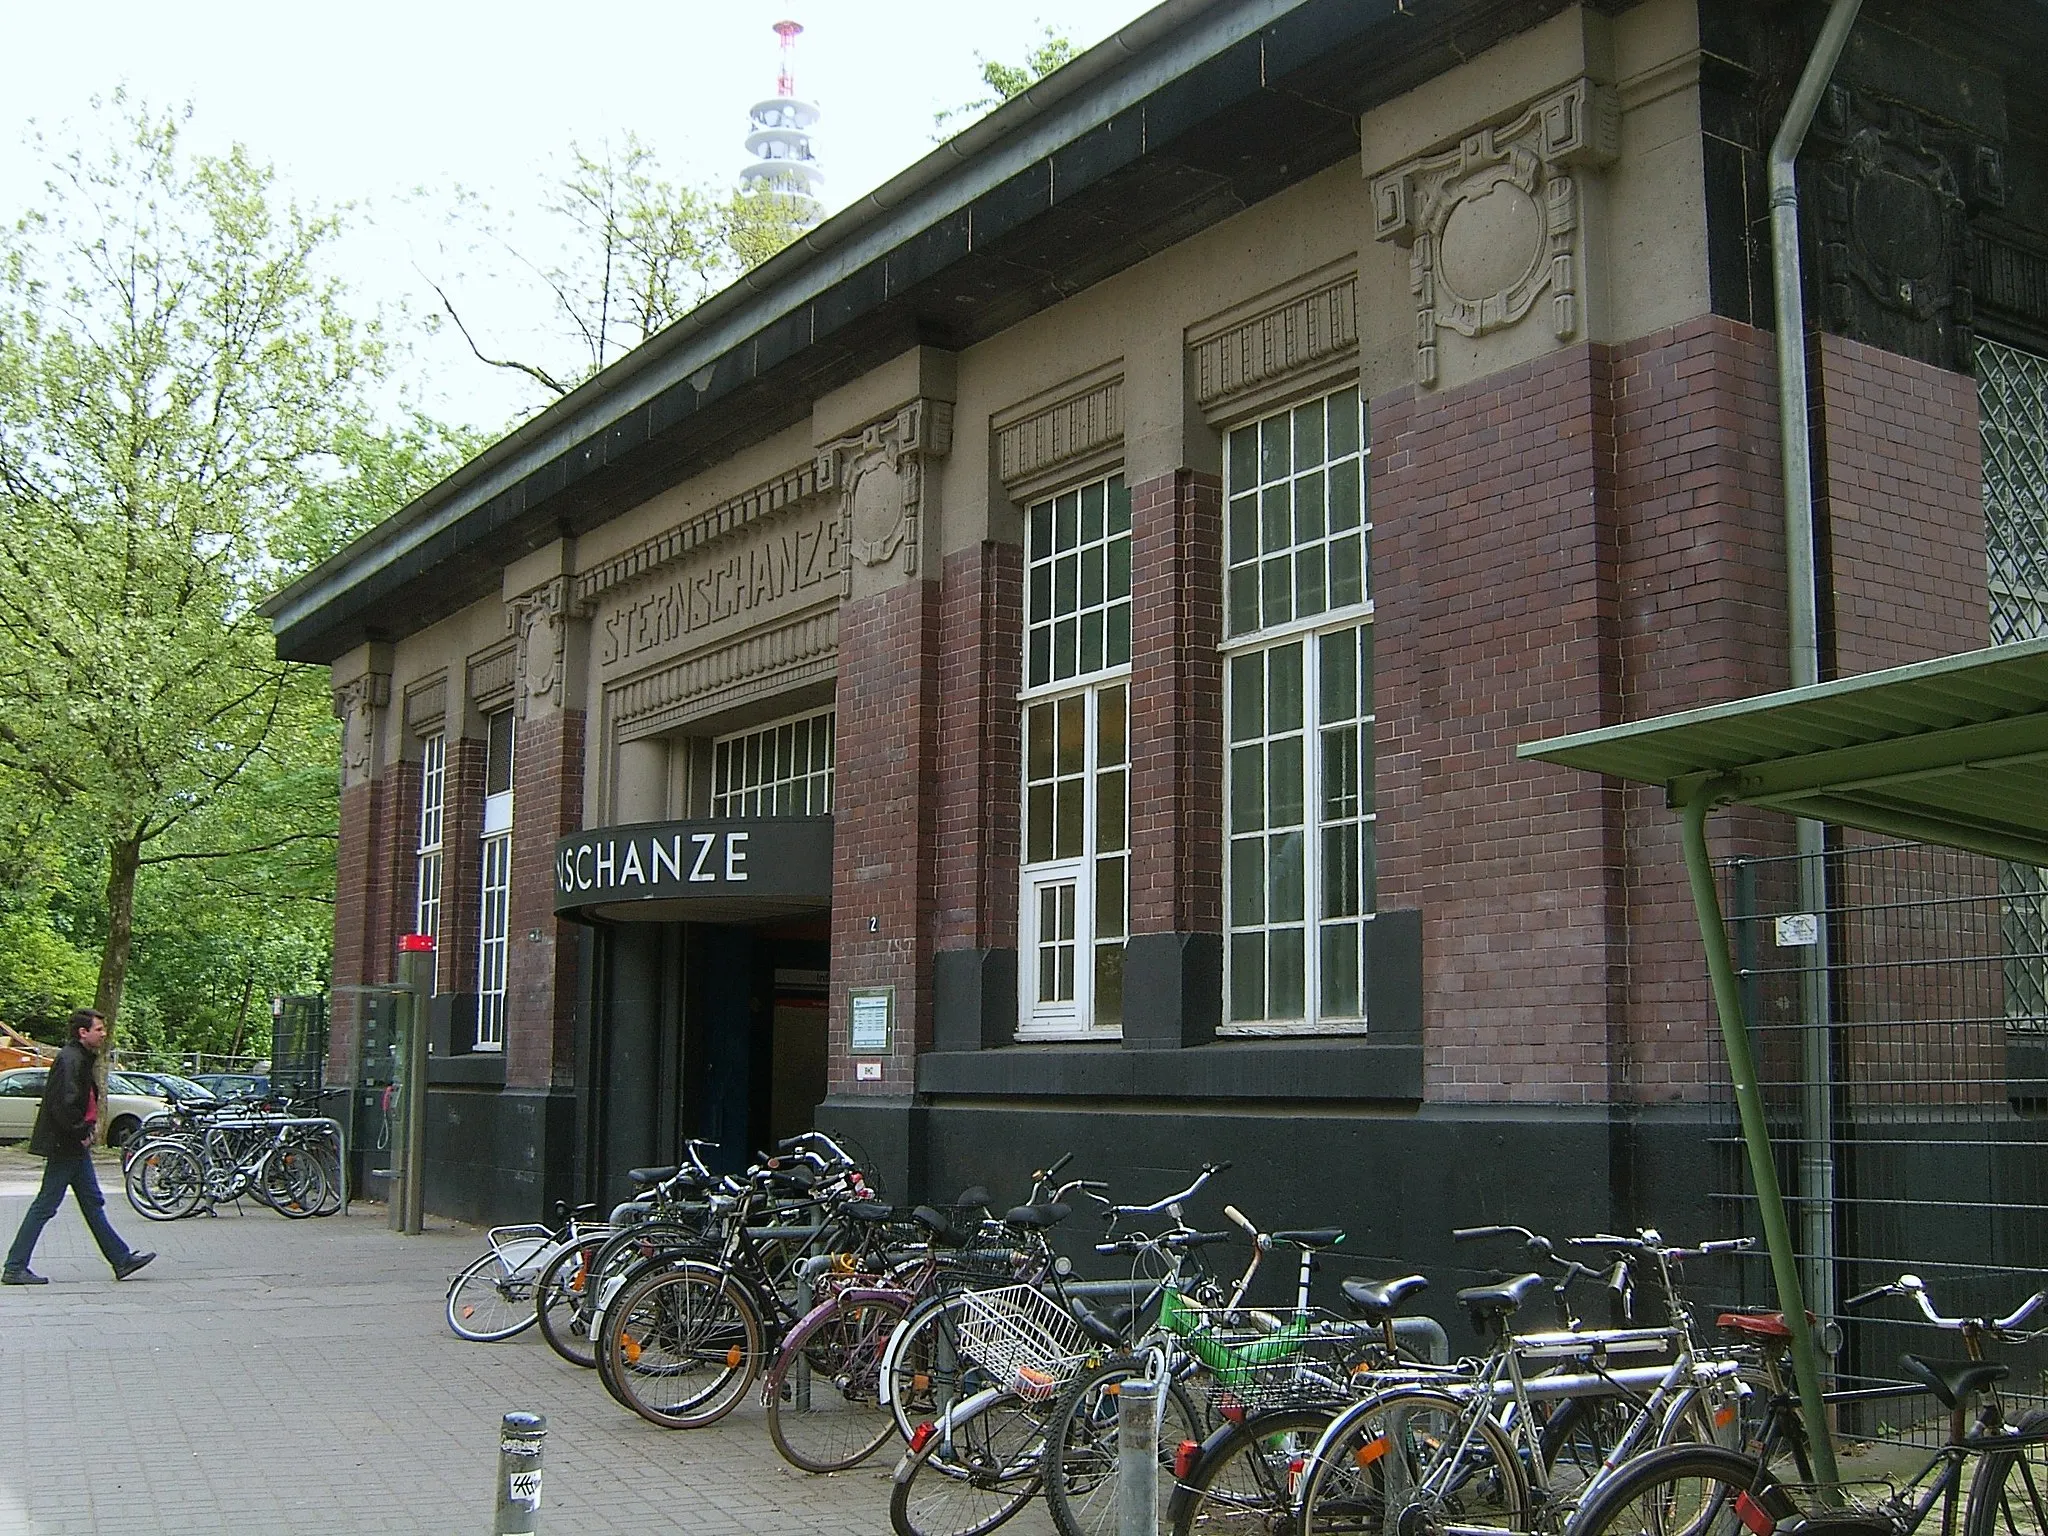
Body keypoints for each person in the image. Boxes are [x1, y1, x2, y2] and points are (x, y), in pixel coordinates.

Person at [3, 1009, 155, 1285]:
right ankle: (15, 1266)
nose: (103, 1033)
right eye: (99, 1029)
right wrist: (81, 1131)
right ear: (82, 1032)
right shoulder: (71, 1059)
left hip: (70, 1143)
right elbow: (65, 1103)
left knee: (91, 1201)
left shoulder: (77, 1058)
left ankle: (121, 1259)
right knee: (47, 1204)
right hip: (67, 1144)